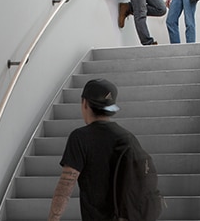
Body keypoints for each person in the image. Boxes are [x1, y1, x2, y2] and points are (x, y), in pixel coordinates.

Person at [47, 78, 140, 221]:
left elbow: (65, 186)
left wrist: (53, 218)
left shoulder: (80, 137)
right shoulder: (128, 137)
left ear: (84, 103)